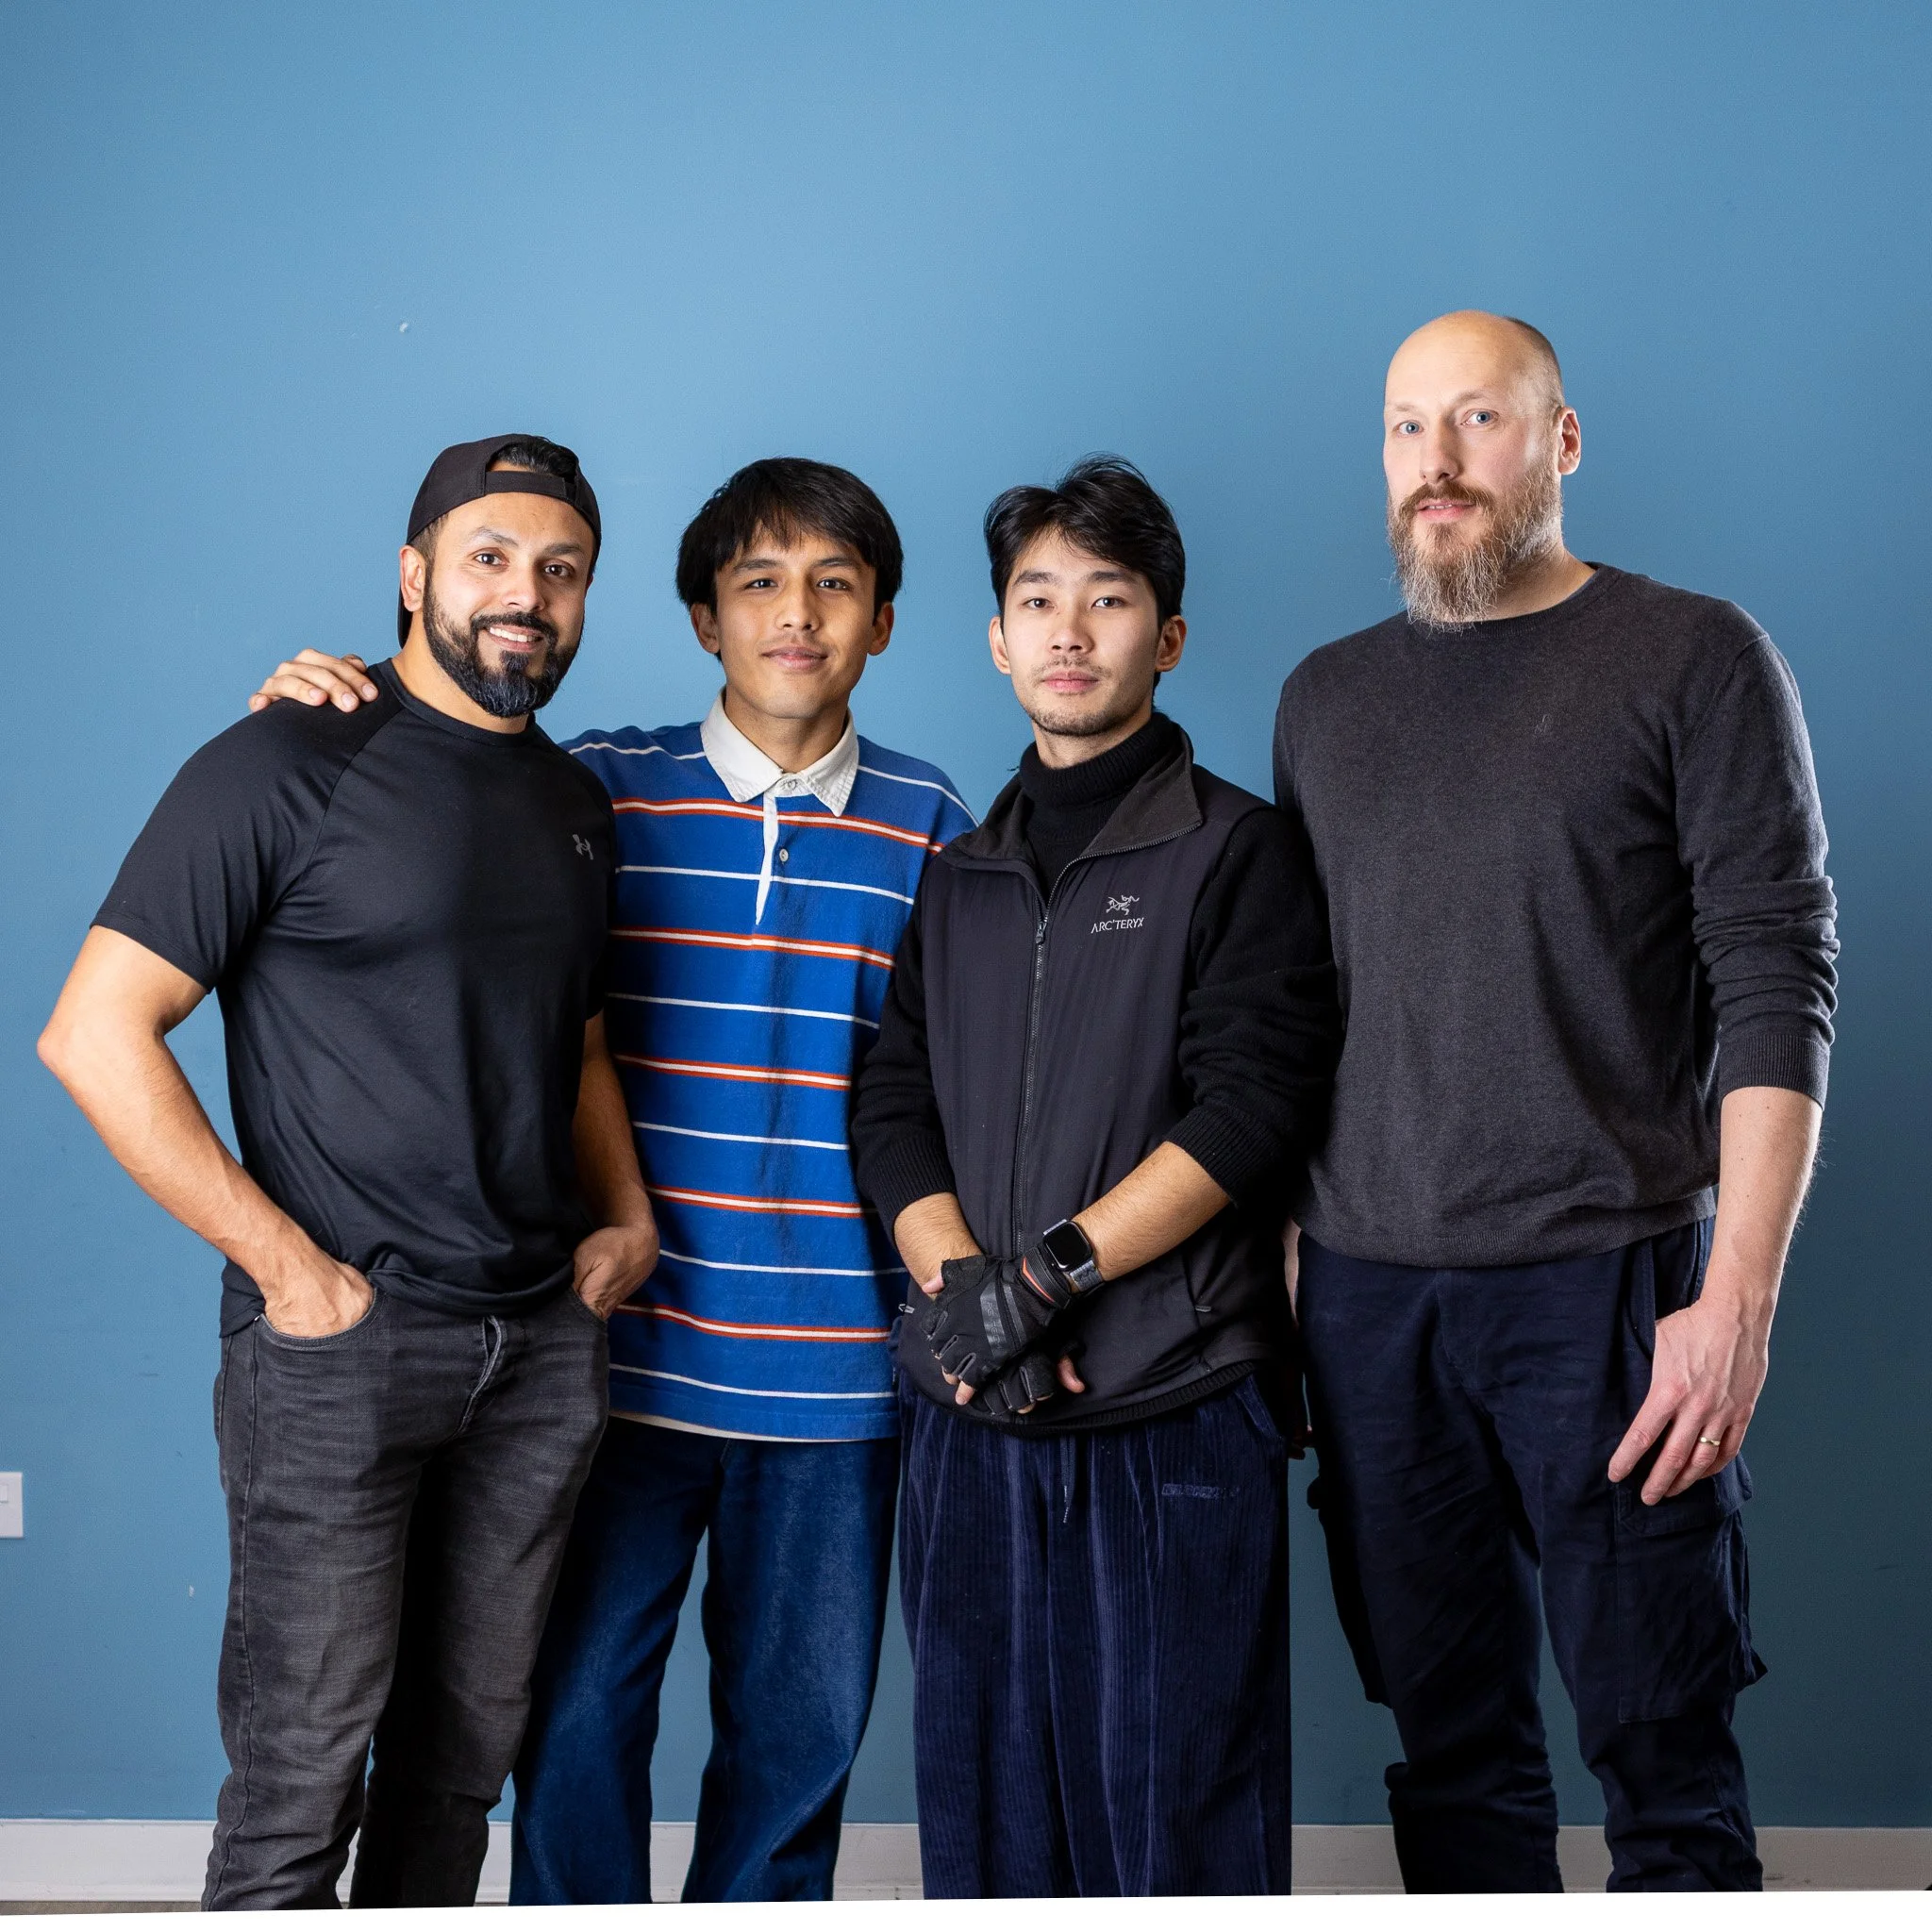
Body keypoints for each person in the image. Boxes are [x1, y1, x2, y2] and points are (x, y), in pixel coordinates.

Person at [244, 457, 974, 1904]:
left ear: (884, 624)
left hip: (836, 1380)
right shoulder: (597, 795)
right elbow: (444, 782)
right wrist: (324, 709)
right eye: (760, 582)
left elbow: (957, 1087)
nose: (798, 615)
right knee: (566, 1728)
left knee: (798, 1743)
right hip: (604, 1366)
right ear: (706, 617)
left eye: (837, 585)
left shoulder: (933, 822)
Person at [37, 435, 660, 1909]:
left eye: (560, 571)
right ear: (413, 573)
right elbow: (93, 1033)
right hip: (341, 1347)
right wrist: (289, 1272)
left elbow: (572, 1047)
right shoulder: (285, 758)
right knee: (303, 1774)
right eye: (493, 559)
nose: (528, 596)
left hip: (537, 1356)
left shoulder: (576, 805)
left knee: (456, 1771)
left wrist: (628, 1219)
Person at [1274, 312, 1839, 1892]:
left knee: (1662, 1746)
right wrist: (1301, 1262)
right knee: (1448, 1748)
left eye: (1478, 422)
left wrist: (1739, 1294)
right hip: (1373, 1305)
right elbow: (1311, 1006)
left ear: (1562, 442)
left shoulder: (1692, 656)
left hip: (1610, 1286)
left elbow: (1775, 973)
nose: (1436, 465)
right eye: (1404, 428)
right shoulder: (1325, 701)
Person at [850, 456, 1340, 1898]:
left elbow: (1254, 1107)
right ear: (998, 637)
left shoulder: (1241, 851)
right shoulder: (962, 875)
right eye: (1038, 599)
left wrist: (1049, 1281)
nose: (1070, 630)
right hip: (972, 1410)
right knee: (988, 1817)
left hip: (1172, 1402)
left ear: (1166, 638)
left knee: (1176, 1812)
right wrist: (965, 1303)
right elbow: (891, 1102)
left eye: (1108, 600)